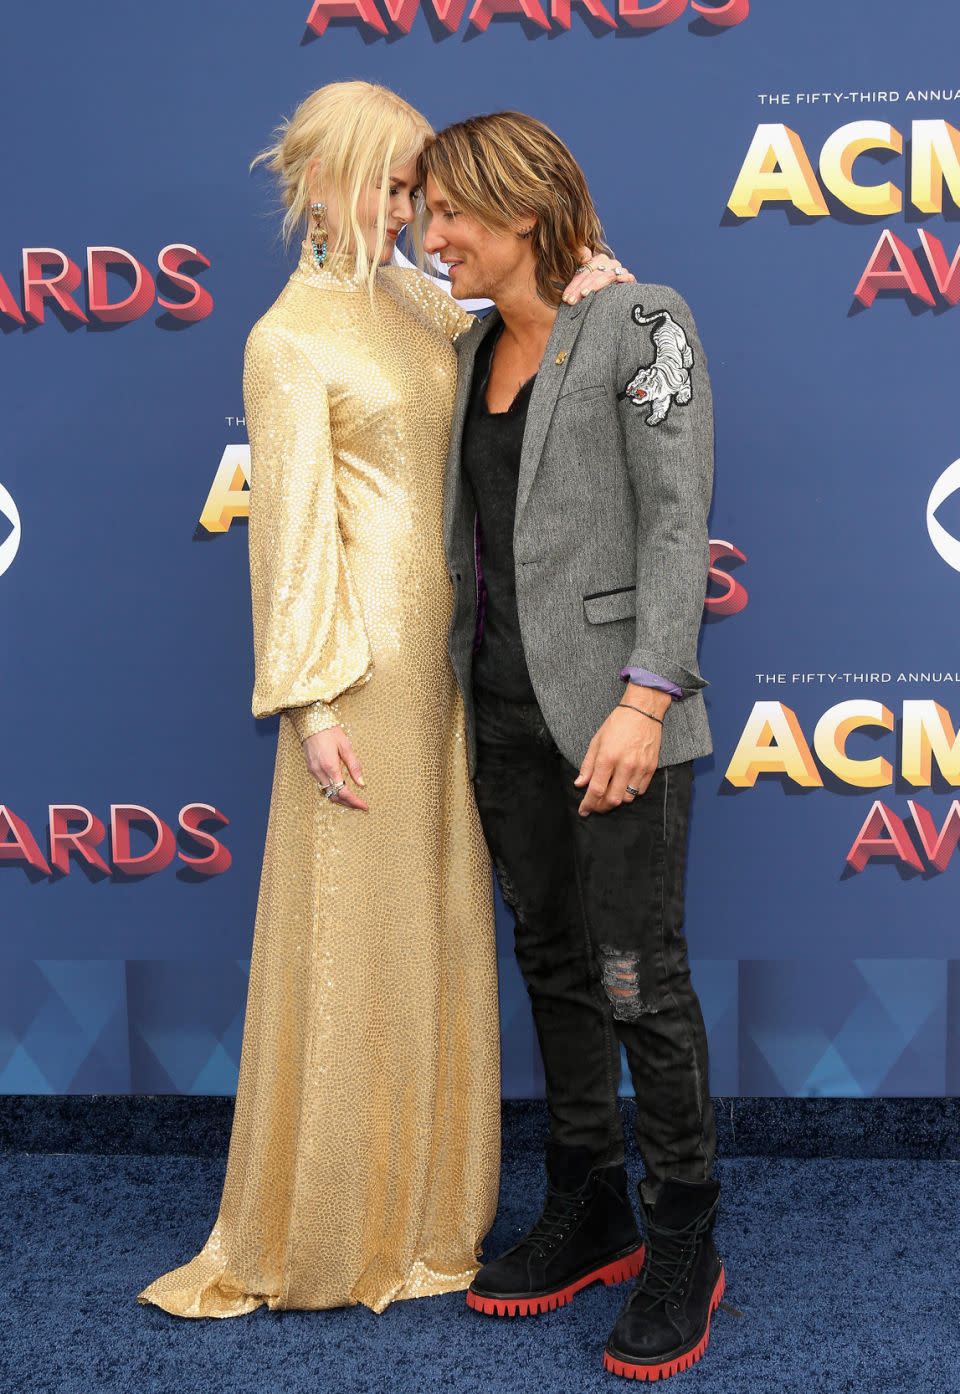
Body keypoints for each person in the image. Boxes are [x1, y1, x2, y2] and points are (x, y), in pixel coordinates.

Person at [137, 82, 628, 1319]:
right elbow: (289, 539)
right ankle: (335, 1226)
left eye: (417, 187)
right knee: (355, 944)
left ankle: (431, 1215)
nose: (411, 209)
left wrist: (594, 284)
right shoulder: (285, 339)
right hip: (363, 684)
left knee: (443, 934)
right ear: (317, 184)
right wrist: (310, 705)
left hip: (461, 666)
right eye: (389, 183)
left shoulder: (416, 300)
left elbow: (522, 338)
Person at [420, 112, 722, 1380]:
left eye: (451, 213)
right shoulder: (470, 342)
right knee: (550, 962)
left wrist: (644, 703)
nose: (430, 236)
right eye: (424, 212)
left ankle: (685, 1236)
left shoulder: (643, 319)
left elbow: (674, 522)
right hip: (496, 713)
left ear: (526, 211)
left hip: (617, 720)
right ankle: (588, 1194)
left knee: (633, 974)